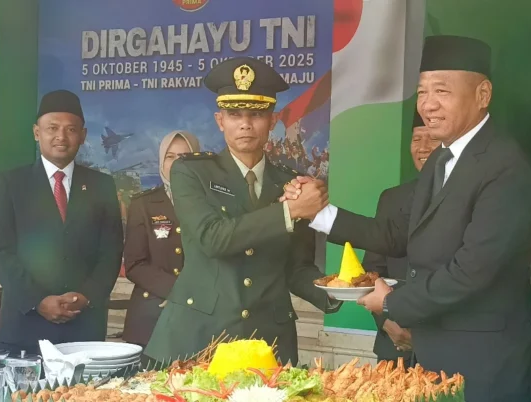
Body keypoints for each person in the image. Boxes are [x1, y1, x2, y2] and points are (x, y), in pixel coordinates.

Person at [283, 36, 531, 401]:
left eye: (441, 91)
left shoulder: (504, 166)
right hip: (434, 354)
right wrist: (319, 213)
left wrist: (392, 303)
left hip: (486, 361)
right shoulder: (442, 159)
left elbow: (472, 270)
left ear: (482, 94)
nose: (428, 104)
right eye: (422, 91)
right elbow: (397, 233)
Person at [144, 57, 338, 365]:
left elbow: (296, 267)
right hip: (199, 336)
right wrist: (288, 213)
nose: (245, 123)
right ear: (220, 120)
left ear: (273, 120)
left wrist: (336, 290)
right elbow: (212, 238)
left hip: (267, 339)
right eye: (234, 114)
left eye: (256, 114)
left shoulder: (290, 183)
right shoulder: (191, 172)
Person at [0, 90, 123, 355]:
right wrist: (38, 301)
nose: (61, 136)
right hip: (26, 327)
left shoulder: (102, 185)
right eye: (52, 128)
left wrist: (86, 297)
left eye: (71, 129)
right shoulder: (10, 184)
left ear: (82, 136)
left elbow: (111, 250)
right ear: (37, 132)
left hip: (84, 325)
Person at [362, 109, 439, 365]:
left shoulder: (467, 196)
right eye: (417, 139)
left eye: (432, 139)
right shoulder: (392, 199)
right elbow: (372, 270)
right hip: (393, 345)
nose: (423, 147)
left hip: (446, 343)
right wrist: (387, 321)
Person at [122, 130, 200, 348]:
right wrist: (177, 291)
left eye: (184, 157)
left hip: (201, 314)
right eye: (170, 156)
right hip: (152, 317)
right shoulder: (143, 204)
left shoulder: (212, 202)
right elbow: (134, 264)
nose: (176, 163)